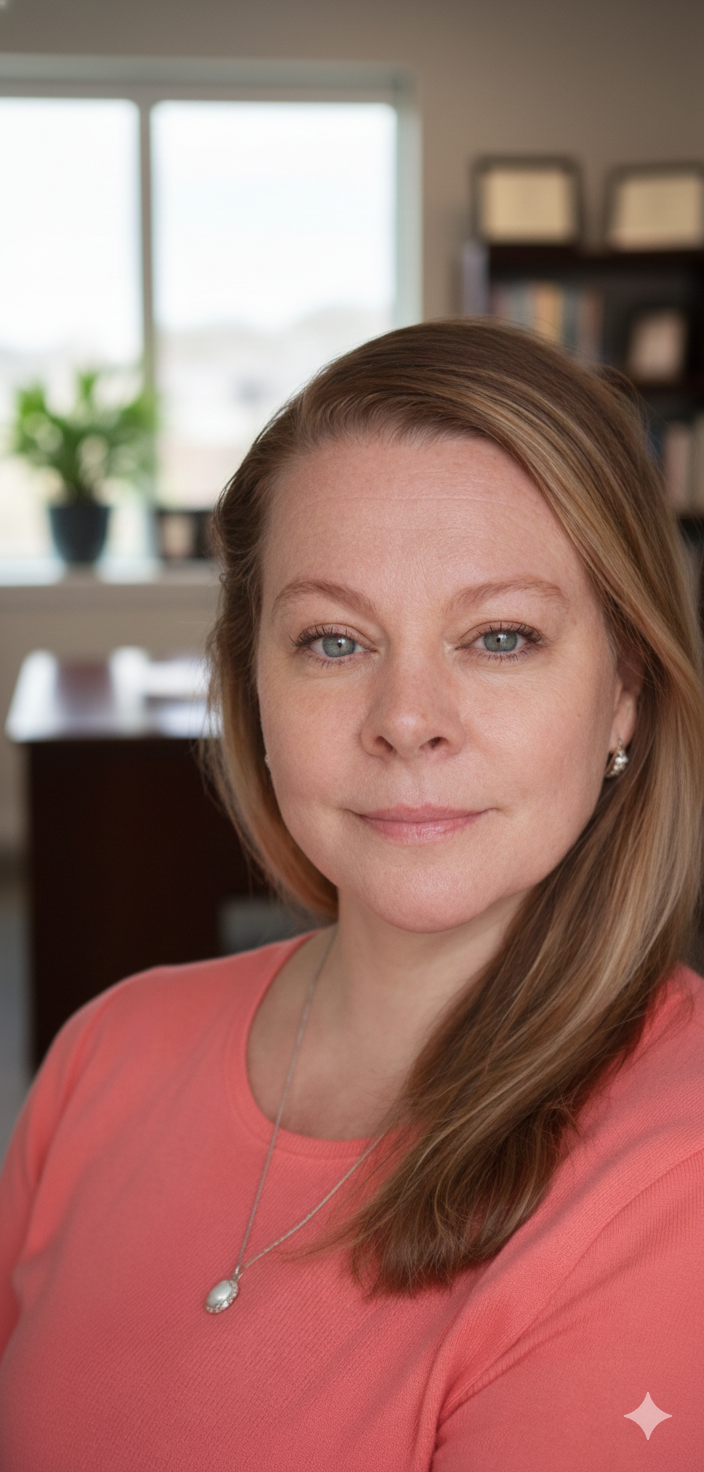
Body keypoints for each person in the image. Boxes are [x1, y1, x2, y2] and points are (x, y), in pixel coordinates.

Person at [1, 319, 703, 1470]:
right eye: (332, 641)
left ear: (622, 688)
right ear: (250, 684)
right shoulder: (102, 1053)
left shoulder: (667, 1180)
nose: (404, 716)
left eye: (500, 635)